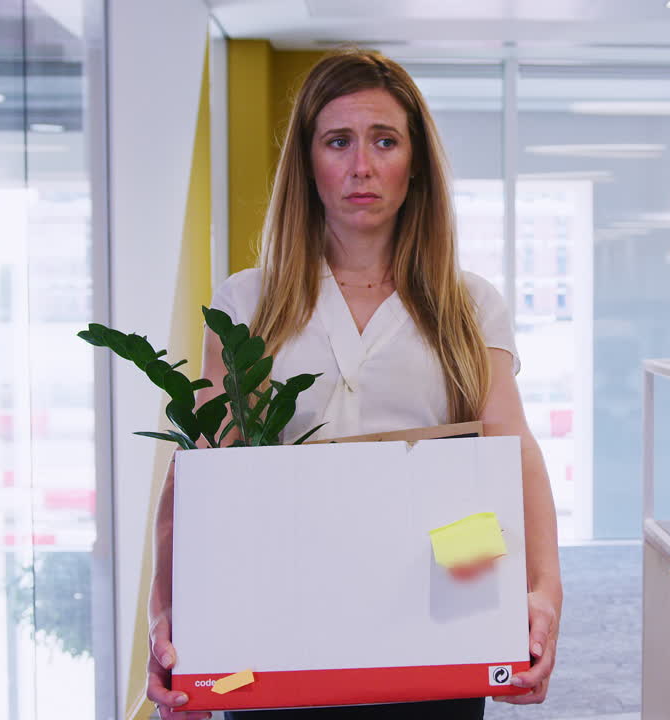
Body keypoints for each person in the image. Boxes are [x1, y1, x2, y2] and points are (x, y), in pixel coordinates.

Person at [144, 49, 562, 719]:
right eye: (338, 141)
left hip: (432, 621)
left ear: (415, 160)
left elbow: (515, 451)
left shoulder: (467, 303)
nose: (362, 166)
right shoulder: (247, 303)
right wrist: (164, 614)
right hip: (277, 626)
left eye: (385, 141)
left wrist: (543, 593)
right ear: (309, 163)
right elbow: (198, 471)